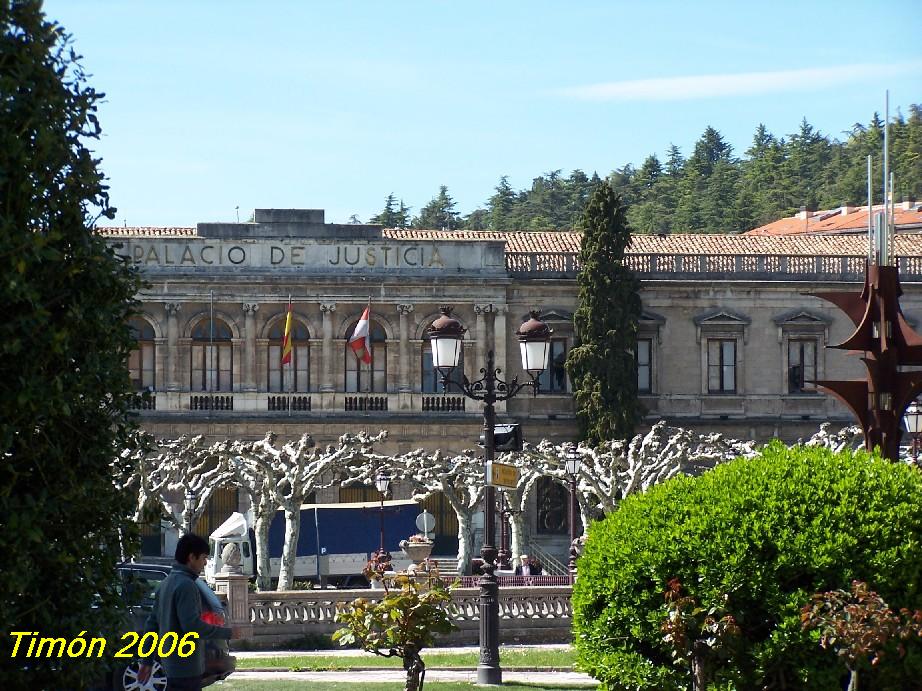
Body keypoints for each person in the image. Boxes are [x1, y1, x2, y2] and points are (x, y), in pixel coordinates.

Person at [138, 533, 236, 691]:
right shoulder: (186, 585)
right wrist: (228, 633)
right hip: (187, 667)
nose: (205, 563)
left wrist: (146, 661)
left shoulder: (166, 583)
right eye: (203, 558)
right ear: (191, 557)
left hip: (171, 665)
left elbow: (152, 625)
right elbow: (192, 626)